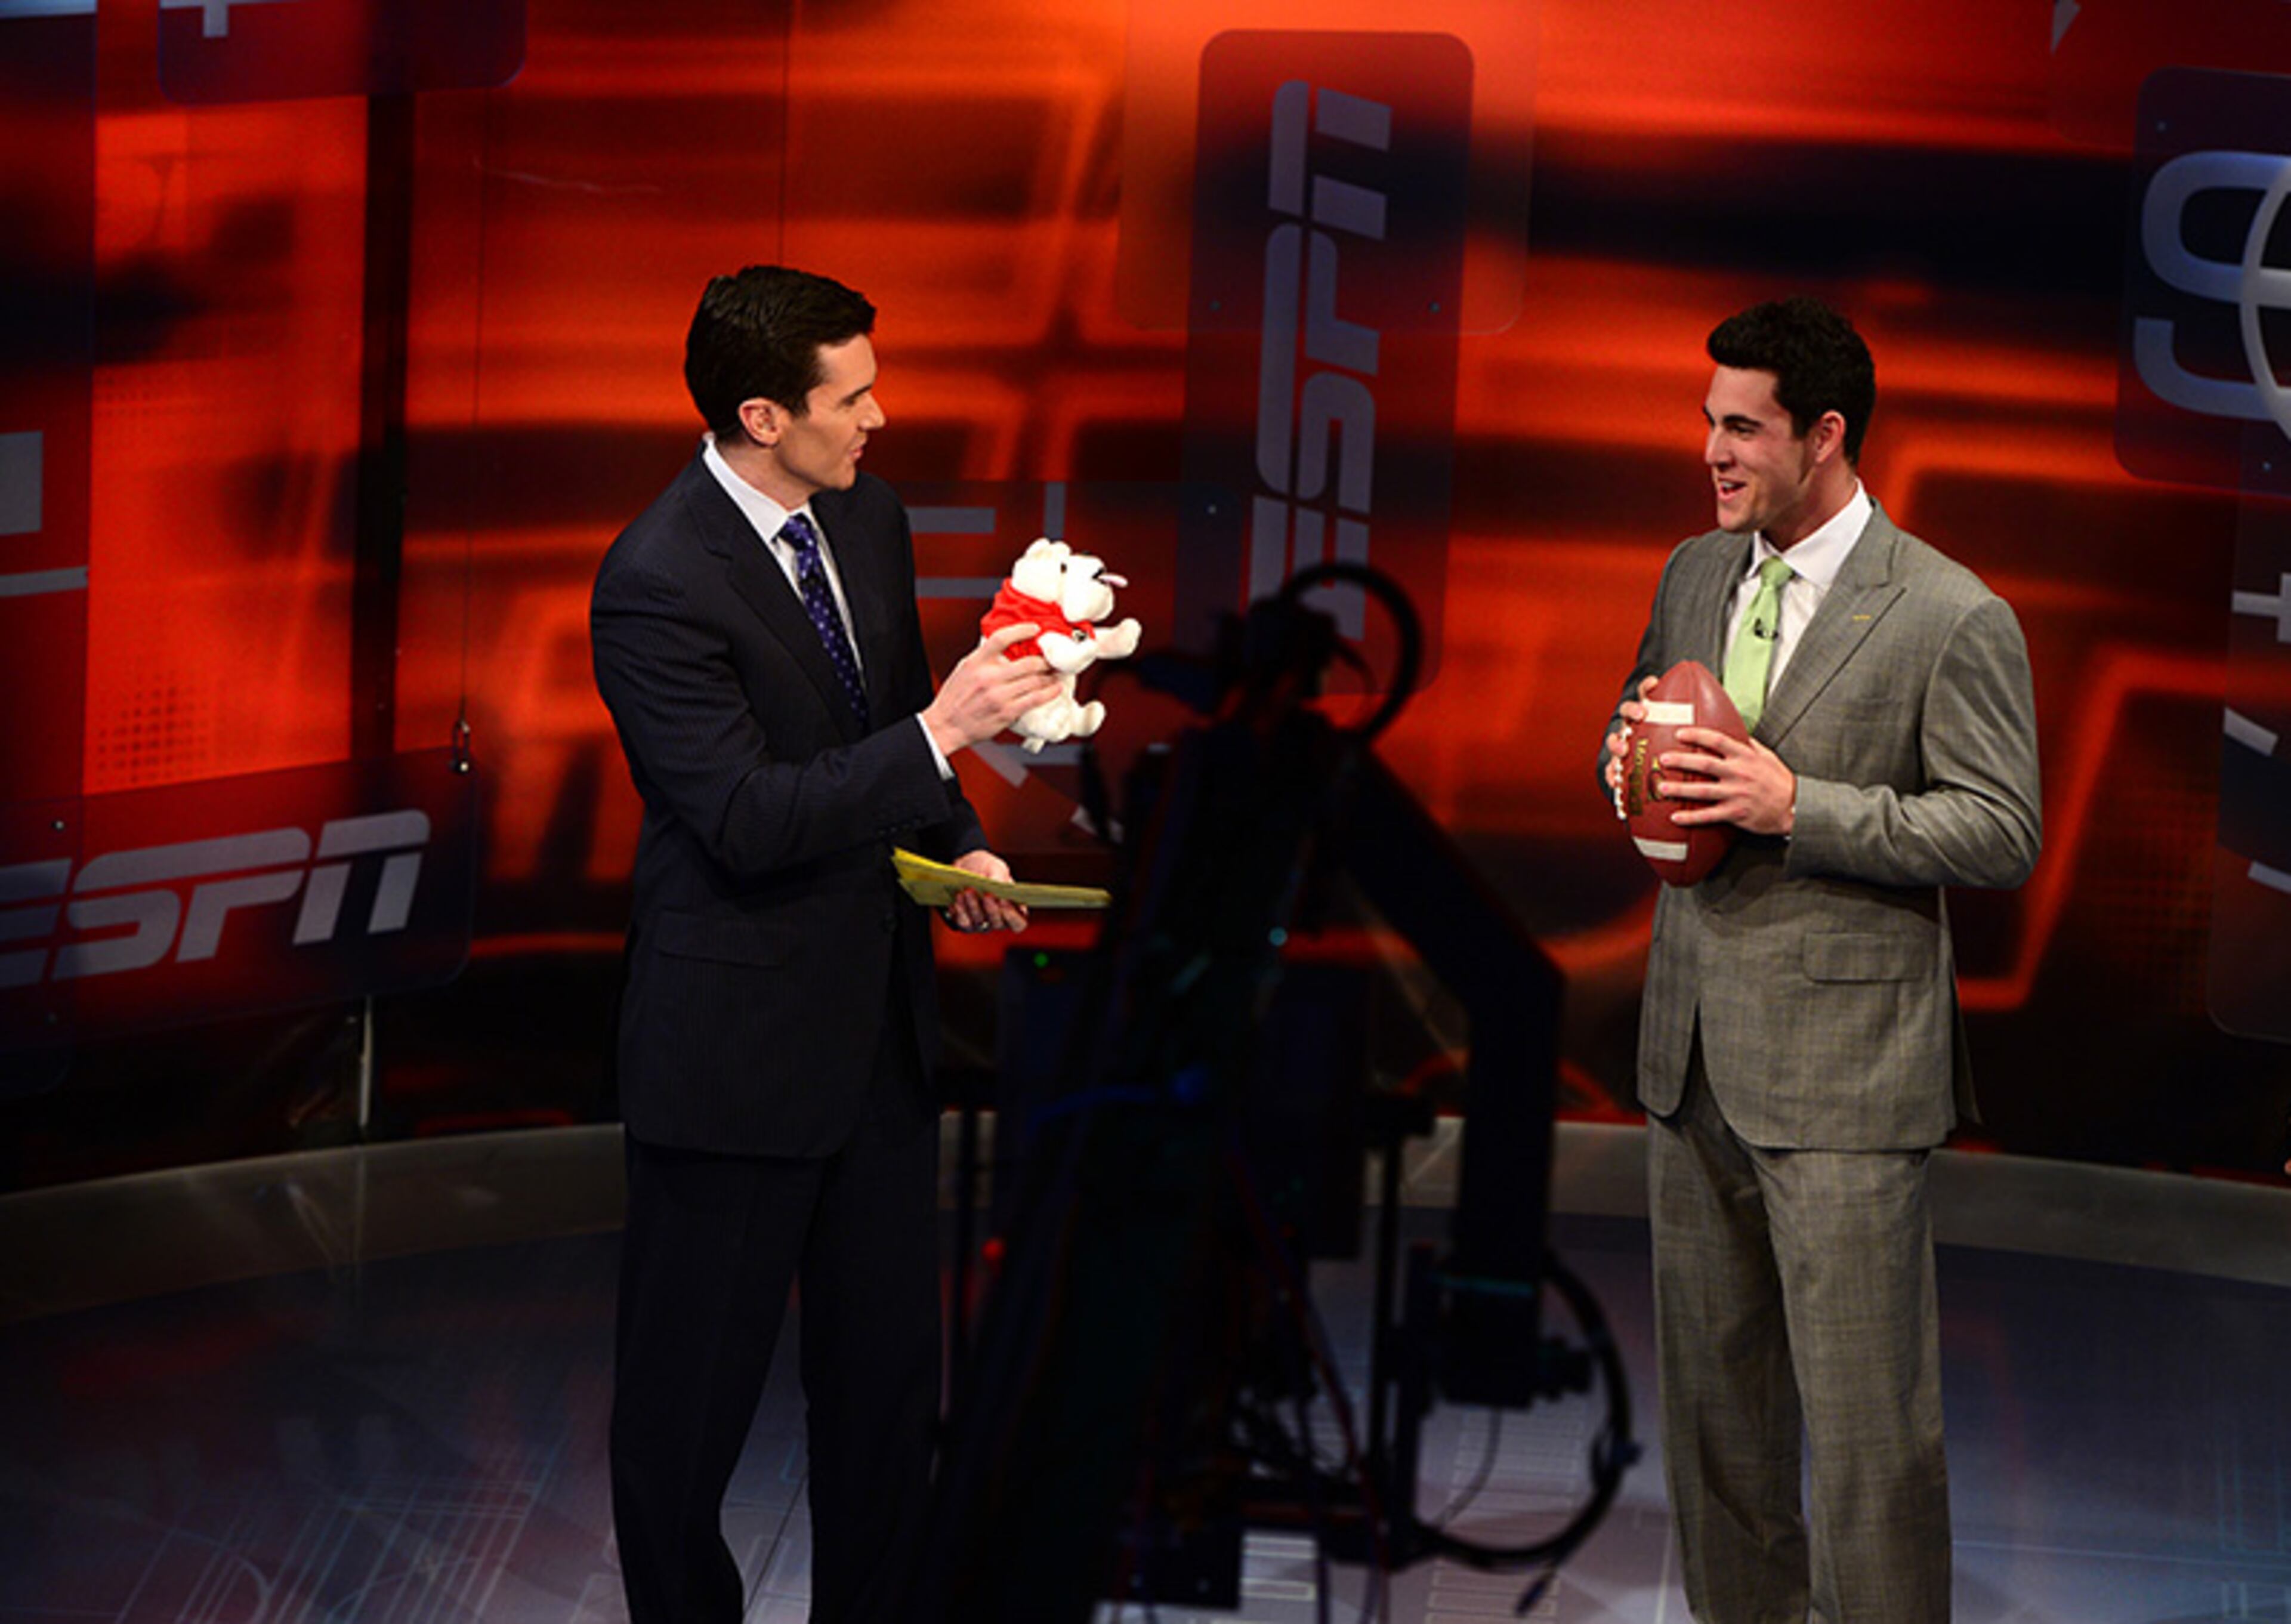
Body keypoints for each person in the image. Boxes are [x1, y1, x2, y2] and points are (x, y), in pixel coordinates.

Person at [591, 264, 1063, 1624]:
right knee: (686, 1425)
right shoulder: (657, 579)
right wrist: (943, 737)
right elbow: (741, 815)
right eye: (850, 396)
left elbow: (891, 728)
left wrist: (960, 839)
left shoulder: (869, 520)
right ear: (759, 414)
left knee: (882, 1402)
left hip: (875, 1040)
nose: (878, 416)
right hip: (732, 1056)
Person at [1599, 295, 2042, 1623]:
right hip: (1693, 1062)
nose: (1714, 453)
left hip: (1848, 1084)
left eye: (1744, 428)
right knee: (1719, 1439)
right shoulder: (1692, 569)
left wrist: (1802, 806)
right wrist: (1623, 766)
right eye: (1708, 422)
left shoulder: (1951, 613)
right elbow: (1635, 722)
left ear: (1827, 435)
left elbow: (2001, 825)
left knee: (1867, 1453)